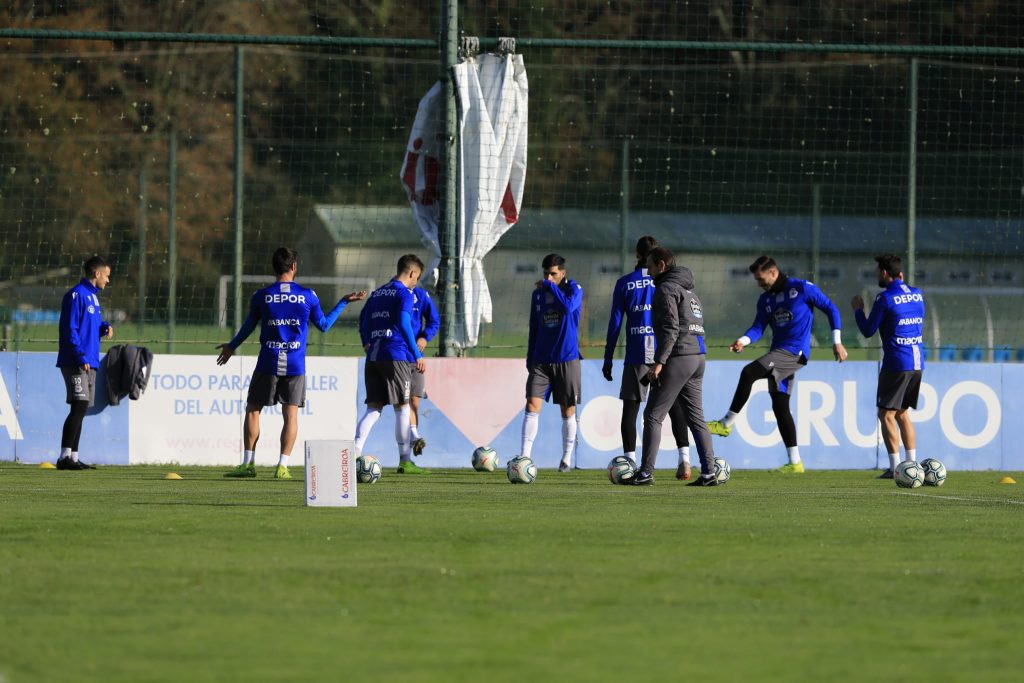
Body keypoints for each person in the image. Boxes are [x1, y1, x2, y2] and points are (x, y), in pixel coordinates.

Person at [217, 247, 366, 479]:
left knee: (253, 410)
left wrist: (231, 346)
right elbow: (324, 326)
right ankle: (282, 466)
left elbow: (248, 326)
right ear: (294, 266)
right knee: (291, 415)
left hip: (268, 362)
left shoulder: (261, 296)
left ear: (273, 267)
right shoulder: (308, 295)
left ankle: (248, 464)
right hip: (295, 364)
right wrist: (343, 302)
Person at [707, 255, 848, 473]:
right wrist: (743, 341)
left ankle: (726, 424)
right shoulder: (765, 300)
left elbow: (831, 309)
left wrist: (836, 341)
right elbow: (758, 327)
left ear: (773, 272)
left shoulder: (802, 288)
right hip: (778, 352)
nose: (759, 284)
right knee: (780, 405)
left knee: (749, 372)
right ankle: (795, 462)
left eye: (761, 279)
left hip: (794, 352)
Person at [603, 236, 696, 480]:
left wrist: (608, 357)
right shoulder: (668, 282)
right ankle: (684, 460)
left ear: (637, 255)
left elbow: (615, 323)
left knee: (631, 409)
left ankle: (630, 465)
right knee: (674, 406)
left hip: (636, 351)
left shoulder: (625, 283)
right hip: (665, 352)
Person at [629, 246, 718, 486]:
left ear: (661, 265)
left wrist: (659, 362)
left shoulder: (665, 289)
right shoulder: (689, 292)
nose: (647, 271)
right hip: (697, 357)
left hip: (679, 356)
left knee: (653, 416)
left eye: (649, 266)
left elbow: (671, 329)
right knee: (696, 418)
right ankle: (709, 474)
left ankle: (645, 473)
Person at [852, 254, 926, 479]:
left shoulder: (884, 298)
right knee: (902, 413)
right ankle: (912, 465)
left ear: (885, 273)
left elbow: (867, 330)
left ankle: (895, 468)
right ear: (900, 274)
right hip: (917, 361)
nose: (877, 276)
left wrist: (858, 310)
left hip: (897, 362)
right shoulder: (917, 294)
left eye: (878, 272)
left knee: (885, 414)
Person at [355, 254, 428, 474]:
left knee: (373, 409)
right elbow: (404, 323)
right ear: (412, 273)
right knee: (402, 408)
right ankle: (405, 461)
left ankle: (354, 452)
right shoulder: (404, 294)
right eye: (417, 277)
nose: (416, 283)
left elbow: (363, 319)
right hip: (395, 355)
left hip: (374, 356)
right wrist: (416, 354)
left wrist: (366, 342)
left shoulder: (377, 293)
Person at [519, 253, 584, 472]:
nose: (548, 277)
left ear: (562, 273)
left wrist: (550, 287)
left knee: (567, 410)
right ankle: (524, 458)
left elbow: (567, 307)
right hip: (541, 360)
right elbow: (534, 326)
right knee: (531, 404)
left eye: (553, 274)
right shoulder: (538, 294)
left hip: (567, 359)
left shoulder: (574, 289)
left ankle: (566, 458)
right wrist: (530, 355)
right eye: (546, 274)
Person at [55, 256, 114, 470]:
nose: (108, 280)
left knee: (81, 408)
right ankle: (63, 457)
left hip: (89, 361)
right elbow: (69, 329)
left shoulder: (93, 298)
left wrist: (104, 327)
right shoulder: (76, 295)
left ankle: (73, 457)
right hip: (76, 360)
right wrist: (80, 356)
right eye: (106, 275)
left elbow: (89, 326)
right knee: (79, 405)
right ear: (97, 273)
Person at [408, 283, 440, 457]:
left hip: (416, 357)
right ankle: (409, 444)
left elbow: (434, 321)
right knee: (402, 403)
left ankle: (412, 445)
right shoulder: (390, 293)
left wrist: (424, 337)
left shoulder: (420, 295)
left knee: (414, 402)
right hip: (395, 355)